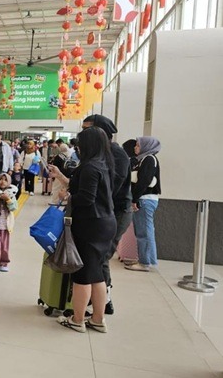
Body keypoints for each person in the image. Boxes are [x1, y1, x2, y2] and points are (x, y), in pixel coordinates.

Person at [56, 127, 116, 334]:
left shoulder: (90, 167)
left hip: (91, 225)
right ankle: (98, 319)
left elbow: (86, 199)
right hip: (105, 223)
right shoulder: (105, 165)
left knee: (82, 273)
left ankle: (77, 319)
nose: (78, 148)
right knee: (97, 273)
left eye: (80, 145)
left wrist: (67, 197)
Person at [81, 114, 133, 315]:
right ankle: (98, 301)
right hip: (102, 212)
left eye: (87, 129)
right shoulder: (99, 154)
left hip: (115, 213)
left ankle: (103, 303)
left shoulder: (117, 154)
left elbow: (109, 189)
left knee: (100, 257)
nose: (83, 134)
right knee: (96, 257)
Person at [126, 137, 161, 272]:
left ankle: (145, 262)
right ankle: (143, 259)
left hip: (145, 199)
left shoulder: (149, 159)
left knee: (144, 232)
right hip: (143, 198)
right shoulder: (143, 159)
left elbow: (144, 181)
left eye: (138, 145)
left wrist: (135, 199)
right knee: (141, 231)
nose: (135, 147)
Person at [0, 173, 18, 275]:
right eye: (1, 179)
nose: (3, 181)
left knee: (5, 246)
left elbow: (13, 208)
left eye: (5, 180)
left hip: (6, 225)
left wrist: (8, 200)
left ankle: (4, 263)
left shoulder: (11, 194)